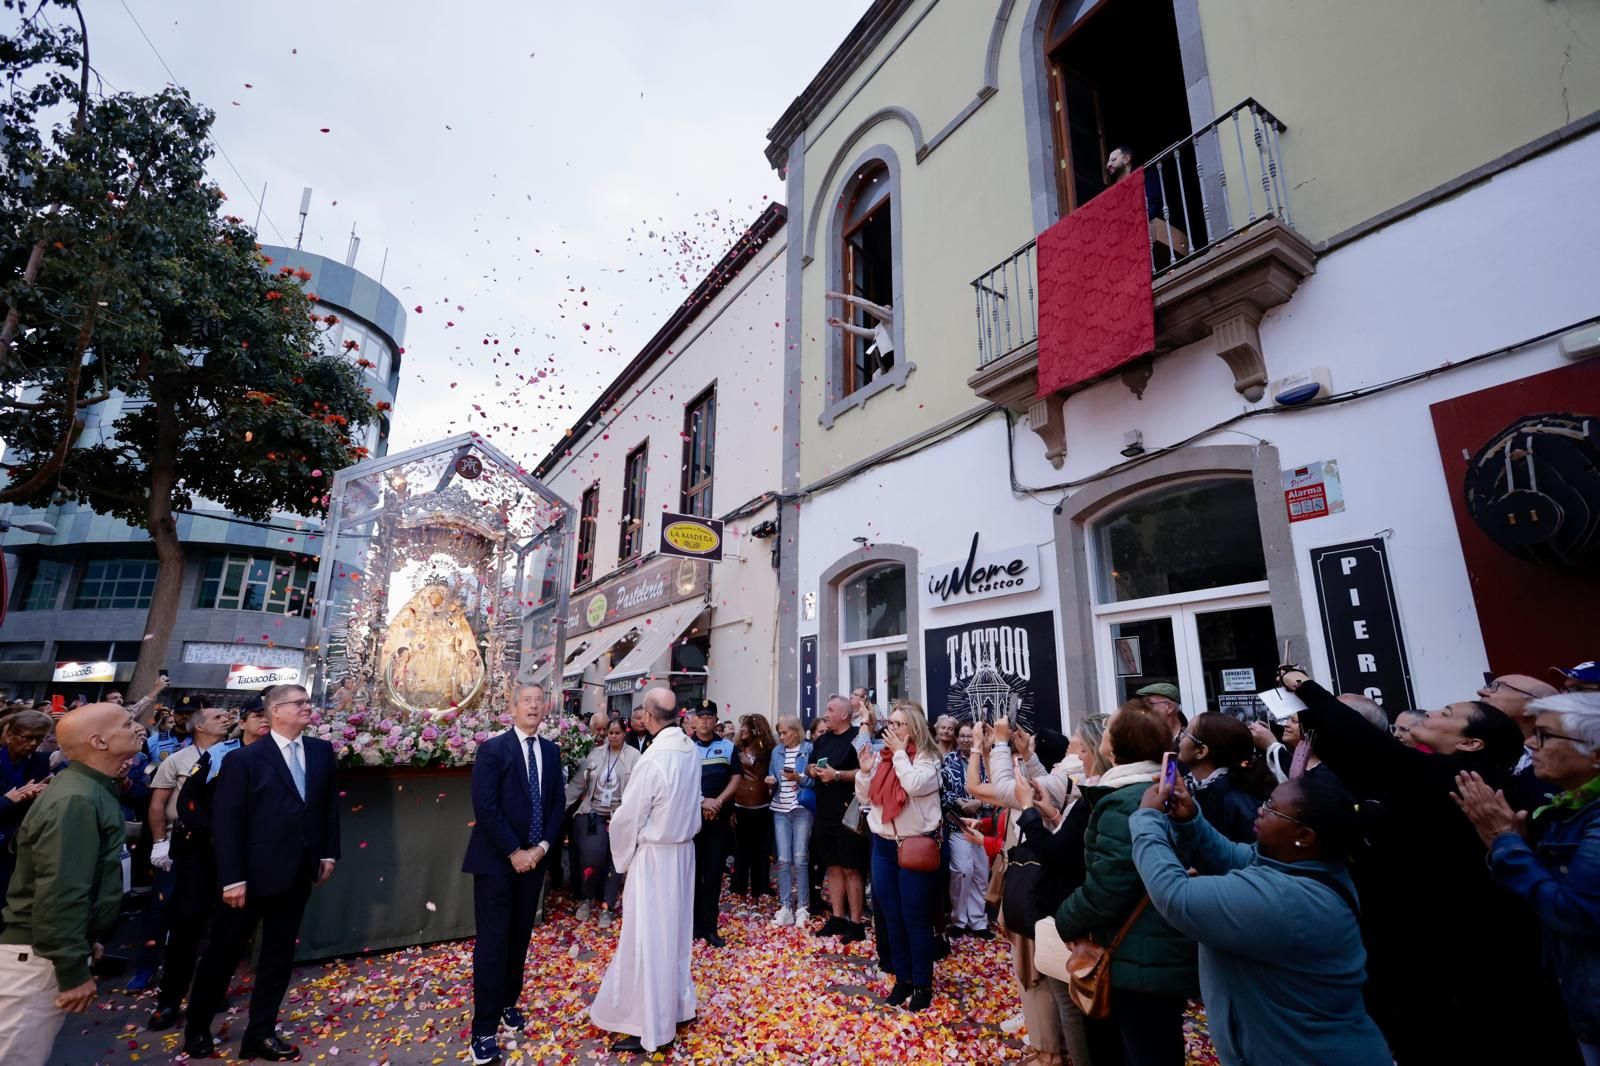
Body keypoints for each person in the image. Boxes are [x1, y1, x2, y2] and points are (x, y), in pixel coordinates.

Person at [1279, 666, 1575, 1066]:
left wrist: (1306, 686)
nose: (1431, 714)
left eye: (1446, 714)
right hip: (1425, 946)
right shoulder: (1431, 774)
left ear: (1471, 743)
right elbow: (1356, 758)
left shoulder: (1460, 779)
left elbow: (1368, 748)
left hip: (1448, 953)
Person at [1129, 772, 1391, 1065]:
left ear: (1304, 836)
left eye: (1272, 808)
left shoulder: (1288, 901)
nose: (1260, 809)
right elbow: (1231, 858)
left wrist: (1147, 819)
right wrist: (1188, 820)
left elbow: (1175, 896)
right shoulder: (1305, 867)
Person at [183, 685, 340, 1062]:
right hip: (250, 877)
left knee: (278, 957)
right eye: (298, 703)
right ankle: (197, 1028)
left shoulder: (320, 752)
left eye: (307, 701)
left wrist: (328, 853)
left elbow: (326, 808)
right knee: (222, 953)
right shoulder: (245, 761)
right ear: (274, 712)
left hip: (297, 871)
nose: (307, 707)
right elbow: (228, 822)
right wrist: (233, 878)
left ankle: (261, 1033)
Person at [1454, 692, 1600, 1063]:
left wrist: (1507, 846)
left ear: (1595, 753)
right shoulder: (1570, 809)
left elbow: (1576, 913)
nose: (1531, 744)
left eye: (1545, 736)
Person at [1055, 699, 1198, 1065]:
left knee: (1145, 1047)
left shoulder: (1126, 801)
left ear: (1118, 745)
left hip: (1139, 954)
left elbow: (1111, 884)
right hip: (1149, 948)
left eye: (1106, 730)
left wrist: (1066, 918)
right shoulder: (1152, 790)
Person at [0, 704, 141, 1066]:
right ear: (99, 741)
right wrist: (72, 968)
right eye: (127, 724)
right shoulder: (76, 798)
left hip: (45, 950)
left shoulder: (93, 790)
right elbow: (62, 890)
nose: (137, 728)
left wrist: (86, 938)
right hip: (36, 957)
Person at [589, 687, 700, 1054]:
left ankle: (651, 1025)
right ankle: (678, 1006)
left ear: (649, 718)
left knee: (648, 938)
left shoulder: (653, 760)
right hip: (682, 853)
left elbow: (627, 817)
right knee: (676, 935)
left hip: (656, 856)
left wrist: (622, 855)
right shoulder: (688, 750)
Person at [459, 683, 564, 1066]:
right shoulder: (493, 750)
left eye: (540, 700)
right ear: (513, 707)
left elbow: (556, 804)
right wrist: (514, 851)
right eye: (527, 701)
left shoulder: (551, 752)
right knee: (493, 944)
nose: (534, 706)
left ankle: (507, 1002)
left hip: (534, 863)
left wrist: (541, 849)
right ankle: (483, 1030)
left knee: (520, 938)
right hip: (495, 863)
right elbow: (485, 807)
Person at [132, 705, 232, 993]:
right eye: (217, 717)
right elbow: (157, 804)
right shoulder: (177, 760)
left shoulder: (234, 756)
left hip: (217, 842)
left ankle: (204, 976)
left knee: (210, 911)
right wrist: (160, 842)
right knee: (164, 905)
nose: (225, 719)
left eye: (225, 716)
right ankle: (147, 966)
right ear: (199, 726)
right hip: (180, 841)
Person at [856, 701, 943, 1011]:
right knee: (891, 916)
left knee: (915, 919)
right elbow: (866, 798)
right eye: (889, 724)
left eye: (898, 724)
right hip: (883, 845)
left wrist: (900, 755)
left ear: (914, 729)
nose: (890, 729)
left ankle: (922, 984)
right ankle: (902, 978)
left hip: (914, 846)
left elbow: (915, 785)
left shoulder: (928, 760)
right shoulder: (885, 759)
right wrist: (865, 773)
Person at [808, 695, 870, 942]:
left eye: (830, 709)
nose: (826, 713)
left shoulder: (857, 738)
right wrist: (811, 770)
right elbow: (809, 765)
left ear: (844, 714)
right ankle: (837, 916)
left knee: (851, 867)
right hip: (824, 812)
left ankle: (855, 922)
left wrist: (837, 775)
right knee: (832, 866)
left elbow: (866, 771)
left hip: (849, 813)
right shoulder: (821, 740)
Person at [568, 716, 639, 928]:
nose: (614, 736)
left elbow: (639, 789)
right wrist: (557, 808)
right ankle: (587, 898)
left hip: (619, 815)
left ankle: (608, 906)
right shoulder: (596, 755)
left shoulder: (635, 757)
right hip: (593, 813)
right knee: (593, 857)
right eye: (610, 733)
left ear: (625, 733)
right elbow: (577, 784)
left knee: (617, 862)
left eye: (618, 733)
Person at [1179, 712, 1277, 844]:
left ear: (1201, 751)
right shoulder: (1193, 789)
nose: (1180, 737)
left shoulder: (1237, 805)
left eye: (1186, 733)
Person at [687, 700, 737, 946]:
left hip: (718, 820)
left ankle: (710, 928)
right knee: (692, 875)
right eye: (701, 716)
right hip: (691, 821)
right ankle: (692, 926)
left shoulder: (727, 747)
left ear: (716, 719)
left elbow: (736, 778)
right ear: (695, 719)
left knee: (714, 874)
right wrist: (701, 802)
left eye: (709, 716)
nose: (705, 720)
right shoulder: (685, 747)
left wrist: (717, 801)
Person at [1479, 672, 1561, 807]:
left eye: (1496, 687)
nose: (1481, 691)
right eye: (1487, 686)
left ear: (1531, 705)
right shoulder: (1472, 747)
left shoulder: (1563, 765)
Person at [941, 721, 990, 939]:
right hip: (957, 824)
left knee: (980, 873)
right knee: (962, 871)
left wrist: (979, 803)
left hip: (982, 826)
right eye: (962, 735)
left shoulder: (985, 762)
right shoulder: (948, 761)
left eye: (970, 736)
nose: (965, 739)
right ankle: (959, 919)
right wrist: (960, 802)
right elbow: (941, 792)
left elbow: (998, 791)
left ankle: (978, 921)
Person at [0, 710, 53, 911]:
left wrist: (44, 789)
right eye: (28, 738)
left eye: (39, 739)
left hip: (20, 841)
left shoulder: (41, 761)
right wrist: (7, 800)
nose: (33, 744)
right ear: (10, 736)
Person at [765, 714, 815, 927]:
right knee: (783, 860)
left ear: (796, 731)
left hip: (801, 808)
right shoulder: (777, 752)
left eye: (785, 732)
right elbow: (772, 776)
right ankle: (786, 906)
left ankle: (803, 906)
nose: (782, 737)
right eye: (780, 733)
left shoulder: (809, 749)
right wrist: (771, 780)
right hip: (780, 809)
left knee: (800, 857)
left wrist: (799, 778)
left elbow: (815, 781)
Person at [730, 714, 776, 899]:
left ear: (757, 729)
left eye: (746, 726)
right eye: (741, 726)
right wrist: (730, 809)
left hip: (762, 806)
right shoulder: (736, 751)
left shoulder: (768, 751)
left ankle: (758, 891)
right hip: (741, 805)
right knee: (741, 853)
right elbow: (731, 779)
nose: (742, 729)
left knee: (761, 853)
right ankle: (740, 891)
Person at [825, 292, 895, 371]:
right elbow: (864, 332)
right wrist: (842, 324)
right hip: (885, 367)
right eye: (884, 308)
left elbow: (869, 306)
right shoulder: (879, 329)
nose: (886, 310)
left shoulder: (891, 316)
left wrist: (840, 296)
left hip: (893, 361)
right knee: (876, 376)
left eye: (889, 309)